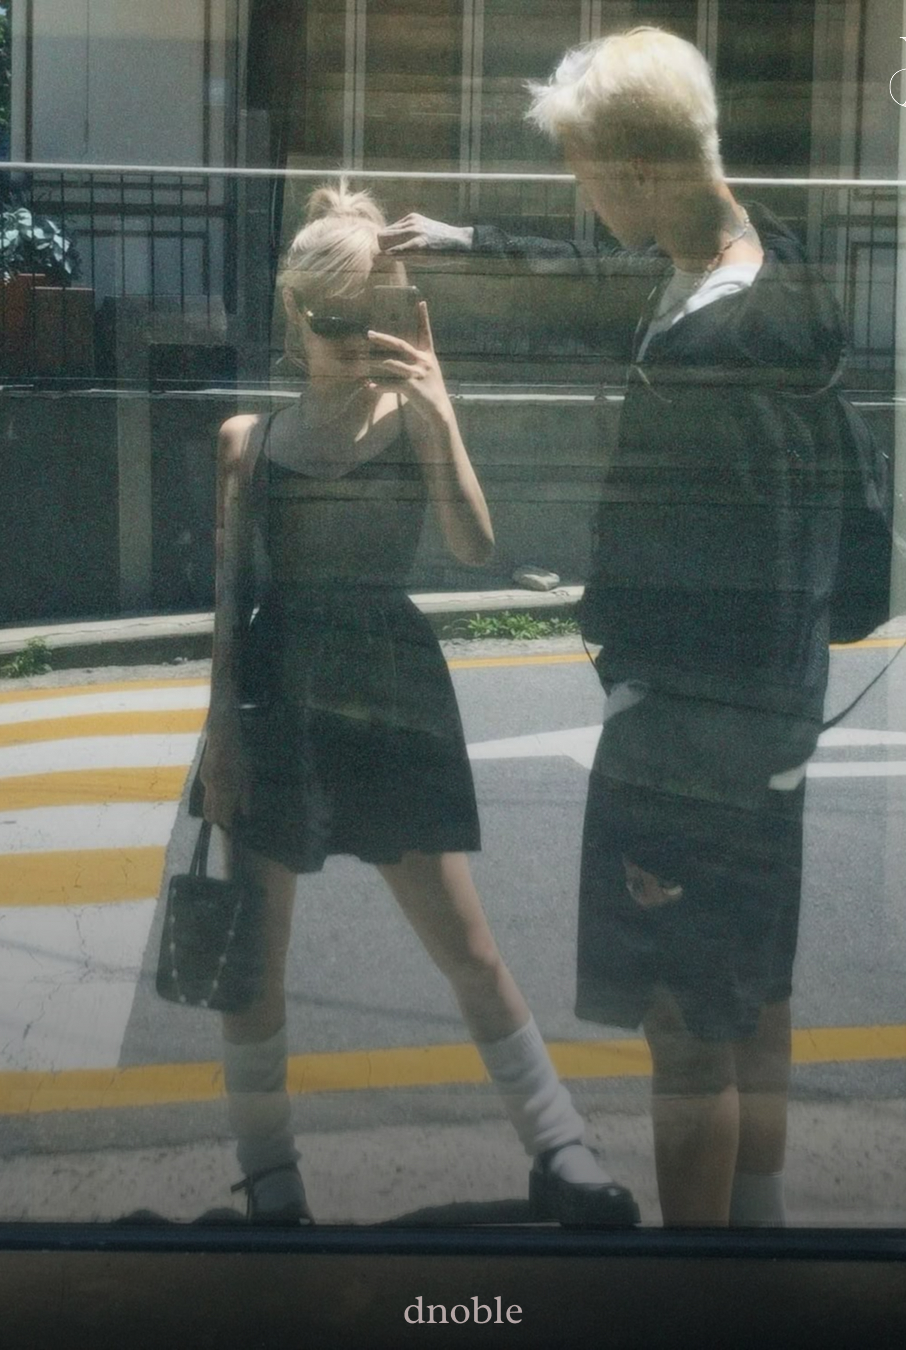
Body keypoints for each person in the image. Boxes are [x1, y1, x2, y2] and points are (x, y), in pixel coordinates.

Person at [381, 27, 846, 1228]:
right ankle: (761, 1246)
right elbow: (588, 276)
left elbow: (755, 573)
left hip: (698, 736)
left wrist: (687, 761)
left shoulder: (725, 352)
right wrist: (463, 242)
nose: (583, 199)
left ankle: (697, 1288)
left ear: (638, 172)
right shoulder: (748, 266)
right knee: (756, 989)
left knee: (686, 1031)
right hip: (759, 722)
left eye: (588, 175)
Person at [196, 180, 638, 1227]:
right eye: (335, 320)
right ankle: (271, 1176)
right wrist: (220, 739)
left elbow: (476, 547)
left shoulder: (411, 417)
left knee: (468, 947)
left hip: (390, 684)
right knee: (253, 959)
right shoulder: (248, 441)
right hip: (277, 690)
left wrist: (440, 412)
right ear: (295, 316)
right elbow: (228, 607)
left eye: (375, 315)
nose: (355, 340)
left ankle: (560, 1145)